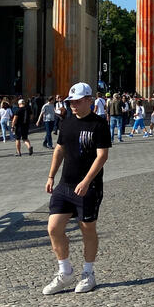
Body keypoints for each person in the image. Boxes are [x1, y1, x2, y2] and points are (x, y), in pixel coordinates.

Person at [42, 82, 111, 295]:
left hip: (88, 187)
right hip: (65, 185)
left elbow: (102, 156)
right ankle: (65, 271)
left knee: (87, 229)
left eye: (78, 101)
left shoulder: (99, 124)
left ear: (89, 100)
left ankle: (88, 273)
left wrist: (87, 181)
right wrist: (51, 175)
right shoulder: (67, 122)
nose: (73, 105)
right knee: (53, 228)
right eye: (71, 102)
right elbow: (59, 150)